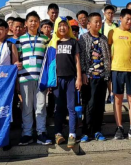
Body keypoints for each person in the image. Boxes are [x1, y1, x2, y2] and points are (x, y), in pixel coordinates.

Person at [108, 9, 131, 140]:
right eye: (127, 19)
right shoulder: (113, 32)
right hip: (116, 70)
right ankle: (119, 127)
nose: (129, 22)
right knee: (117, 100)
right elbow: (108, 50)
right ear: (121, 18)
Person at [17, 11, 52, 146]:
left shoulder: (45, 39)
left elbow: (48, 60)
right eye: (30, 21)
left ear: (39, 23)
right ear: (26, 23)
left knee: (41, 106)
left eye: (36, 21)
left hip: (40, 78)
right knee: (26, 107)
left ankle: (41, 133)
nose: (33, 23)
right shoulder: (20, 40)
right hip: (25, 78)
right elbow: (17, 58)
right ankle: (27, 133)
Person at [79, 12, 111, 142]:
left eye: (100, 22)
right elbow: (81, 58)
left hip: (102, 77)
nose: (98, 24)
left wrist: (107, 75)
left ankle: (97, 130)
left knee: (99, 104)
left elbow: (107, 57)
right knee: (88, 104)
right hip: (89, 76)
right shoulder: (83, 37)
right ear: (89, 24)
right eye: (95, 22)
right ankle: (86, 131)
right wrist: (83, 73)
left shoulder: (103, 38)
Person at [51, 17, 82, 149]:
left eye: (64, 25)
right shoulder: (53, 43)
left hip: (71, 79)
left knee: (71, 107)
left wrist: (79, 78)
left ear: (68, 27)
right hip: (58, 79)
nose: (62, 28)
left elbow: (77, 61)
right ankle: (58, 133)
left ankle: (72, 134)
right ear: (56, 28)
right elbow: (50, 64)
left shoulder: (73, 42)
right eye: (60, 25)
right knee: (58, 107)